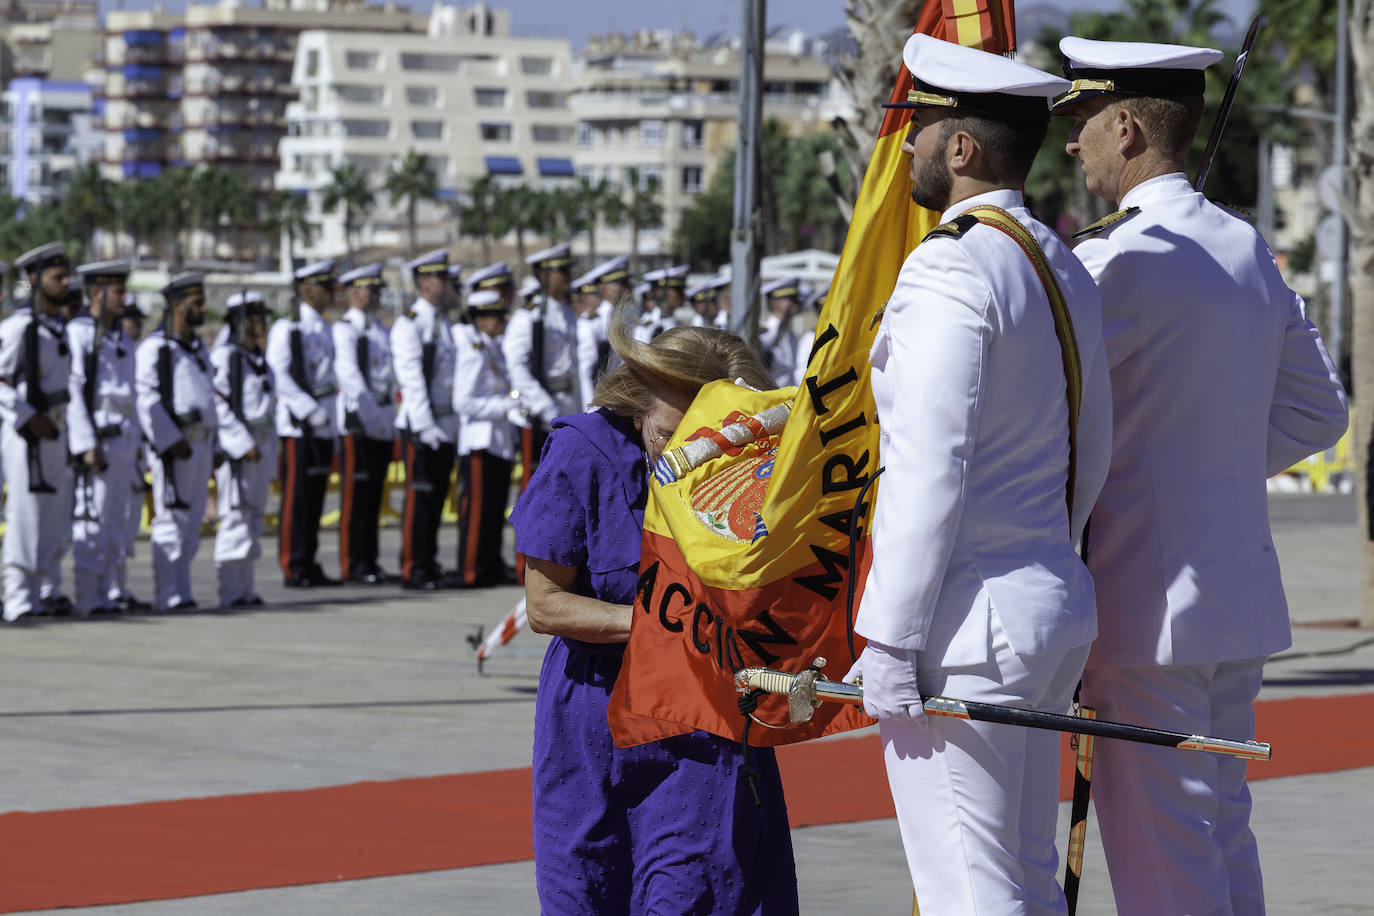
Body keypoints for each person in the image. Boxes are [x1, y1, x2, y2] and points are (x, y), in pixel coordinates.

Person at [1052, 37, 1349, 915]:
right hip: (1234, 602)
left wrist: (1167, 470)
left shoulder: (1116, 261)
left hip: (1147, 611)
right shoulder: (1246, 247)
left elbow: (1044, 415)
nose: (1073, 143)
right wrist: (1205, 467)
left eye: (1084, 122)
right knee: (1221, 839)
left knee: (1167, 870)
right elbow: (1318, 414)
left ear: (1130, 127)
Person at [849, 35, 1113, 914]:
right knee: (1026, 880)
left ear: (958, 149)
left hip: (966, 630)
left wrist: (888, 637)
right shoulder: (1058, 259)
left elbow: (929, 466)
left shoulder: (951, 263)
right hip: (1045, 606)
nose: (908, 147)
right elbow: (1093, 444)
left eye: (917, 128)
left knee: (969, 887)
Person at [510, 314, 797, 915]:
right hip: (590, 715)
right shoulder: (582, 452)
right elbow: (545, 604)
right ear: (639, 400)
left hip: (699, 716)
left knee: (692, 892)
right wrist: (663, 627)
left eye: (701, 437)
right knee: (582, 890)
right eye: (667, 433)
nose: (681, 455)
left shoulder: (751, 454)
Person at [135, 272, 218, 611]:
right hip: (175, 447)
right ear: (179, 306)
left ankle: (181, 590)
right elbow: (146, 398)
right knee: (171, 520)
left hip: (201, 444)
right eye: (197, 303)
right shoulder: (156, 348)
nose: (203, 308)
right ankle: (168, 593)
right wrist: (169, 440)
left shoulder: (196, 349)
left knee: (191, 520)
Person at [0, 243, 74, 622]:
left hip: (55, 432)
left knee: (52, 518)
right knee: (25, 516)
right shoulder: (17, 328)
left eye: (66, 275)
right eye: (56, 277)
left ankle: (42, 591)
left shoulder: (54, 329)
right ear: (34, 280)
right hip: (26, 434)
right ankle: (16, 598)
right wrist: (28, 417)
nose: (65, 283)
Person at [67, 259, 140, 615]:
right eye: (118, 291)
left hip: (124, 440)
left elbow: (133, 396)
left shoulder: (122, 336)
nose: (124, 298)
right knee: (91, 521)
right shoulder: (80, 332)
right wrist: (85, 445)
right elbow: (74, 391)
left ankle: (110, 591)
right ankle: (88, 596)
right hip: (100, 441)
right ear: (97, 292)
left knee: (117, 522)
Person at [267, 258, 340, 588]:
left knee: (315, 499)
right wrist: (309, 410)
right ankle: (292, 563)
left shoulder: (324, 327)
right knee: (297, 498)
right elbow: (279, 374)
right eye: (323, 287)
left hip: (323, 423)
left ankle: (308, 560)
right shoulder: (288, 328)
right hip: (300, 425)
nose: (329, 293)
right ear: (306, 289)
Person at [392, 248, 460, 590]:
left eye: (446, 277)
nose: (444, 283)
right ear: (423, 282)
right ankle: (413, 566)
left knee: (435, 501)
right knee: (419, 498)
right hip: (422, 425)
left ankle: (429, 561)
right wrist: (425, 426)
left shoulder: (443, 322)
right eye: (438, 277)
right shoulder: (410, 323)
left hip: (444, 424)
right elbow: (412, 379)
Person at [453, 289, 525, 587]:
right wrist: (506, 406)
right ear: (480, 319)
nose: (501, 321)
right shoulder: (474, 349)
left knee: (494, 511)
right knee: (478, 512)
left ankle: (490, 566)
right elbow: (463, 401)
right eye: (495, 316)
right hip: (480, 440)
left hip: (497, 440)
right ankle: (471, 570)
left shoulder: (492, 347)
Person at [332, 263, 399, 585]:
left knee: (373, 498)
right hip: (360, 425)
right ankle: (352, 563)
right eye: (371, 290)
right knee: (354, 498)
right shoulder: (346, 329)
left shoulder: (379, 330)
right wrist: (374, 420)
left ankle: (369, 560)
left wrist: (387, 423)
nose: (376, 296)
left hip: (381, 424)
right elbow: (352, 381)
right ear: (355, 292)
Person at [211, 291, 276, 608]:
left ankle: (245, 588)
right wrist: (241, 442)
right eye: (255, 319)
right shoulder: (226, 358)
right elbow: (218, 407)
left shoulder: (257, 359)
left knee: (253, 519)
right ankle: (229, 590)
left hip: (261, 449)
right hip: (240, 452)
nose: (262, 324)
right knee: (235, 517)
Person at [503, 243, 580, 487]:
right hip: (542, 415)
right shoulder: (529, 316)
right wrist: (544, 406)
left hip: (566, 408)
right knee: (538, 491)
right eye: (562, 271)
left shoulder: (566, 313)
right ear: (544, 275)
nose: (568, 277)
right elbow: (517, 367)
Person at [115, 293, 152, 612]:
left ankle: (119, 587)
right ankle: (108, 589)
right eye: (130, 318)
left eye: (138, 318)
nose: (136, 323)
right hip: (112, 446)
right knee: (108, 521)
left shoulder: (134, 354)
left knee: (127, 523)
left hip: (133, 446)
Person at [757, 276, 801, 382]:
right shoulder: (767, 332)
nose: (795, 303)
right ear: (775, 303)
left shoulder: (789, 334)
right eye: (790, 299)